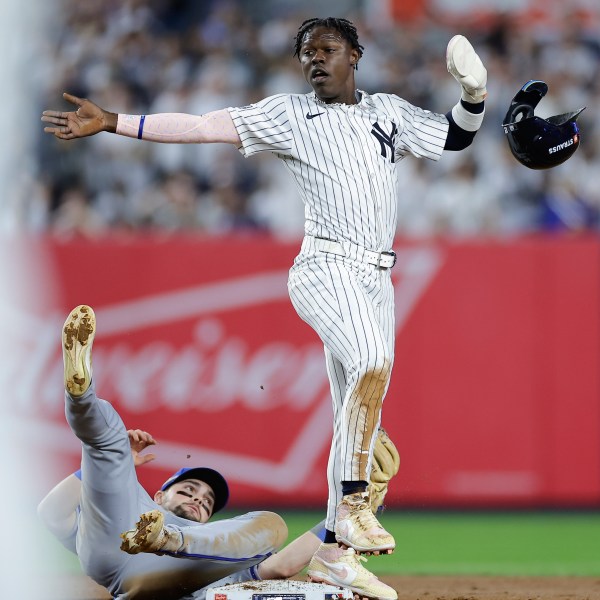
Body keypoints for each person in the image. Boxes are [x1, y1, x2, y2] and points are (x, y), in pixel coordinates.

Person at [42, 17, 487, 600]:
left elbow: (454, 138)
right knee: (372, 363)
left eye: (326, 49)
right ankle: (352, 506)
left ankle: (335, 555)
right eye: (306, 53)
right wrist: (117, 122)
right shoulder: (289, 114)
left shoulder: (389, 111)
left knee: (355, 404)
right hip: (325, 266)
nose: (314, 61)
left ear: (355, 53)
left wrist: (475, 95)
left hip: (379, 276)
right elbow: (203, 127)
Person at [54, 303, 287, 599]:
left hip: (171, 561)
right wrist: (117, 462)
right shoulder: (135, 500)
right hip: (119, 537)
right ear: (160, 496)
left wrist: (336, 521)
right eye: (189, 490)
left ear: (206, 522)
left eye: (206, 503)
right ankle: (80, 394)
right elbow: (52, 514)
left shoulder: (208, 545)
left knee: (273, 524)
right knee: (110, 440)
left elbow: (280, 566)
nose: (197, 499)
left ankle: (165, 538)